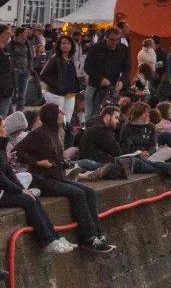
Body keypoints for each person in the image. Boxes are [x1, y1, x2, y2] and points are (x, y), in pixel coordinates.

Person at [16, 104, 114, 252]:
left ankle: (98, 234)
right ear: (53, 116)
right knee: (77, 194)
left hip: (58, 176)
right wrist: (37, 162)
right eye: (59, 112)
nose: (62, 114)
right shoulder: (38, 134)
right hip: (43, 180)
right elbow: (17, 152)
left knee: (90, 192)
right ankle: (88, 238)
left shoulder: (56, 132)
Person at [0, 132, 76, 255]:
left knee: (32, 197)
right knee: (28, 200)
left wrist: (22, 189)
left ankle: (54, 237)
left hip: (3, 191)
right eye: (2, 127)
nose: (5, 129)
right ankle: (47, 240)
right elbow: (2, 179)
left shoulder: (1, 147)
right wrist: (19, 190)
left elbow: (9, 173)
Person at [39, 34, 83, 128]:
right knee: (55, 119)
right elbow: (43, 75)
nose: (65, 45)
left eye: (68, 43)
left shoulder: (70, 59)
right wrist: (56, 85)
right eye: (63, 43)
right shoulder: (55, 59)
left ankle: (64, 139)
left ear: (71, 46)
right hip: (56, 94)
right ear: (59, 45)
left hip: (69, 93)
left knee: (67, 120)